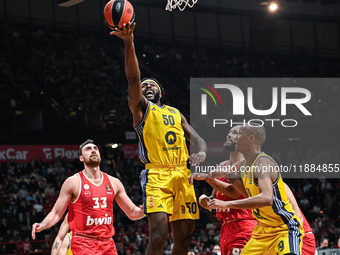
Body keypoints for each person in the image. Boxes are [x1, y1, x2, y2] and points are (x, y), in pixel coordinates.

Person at [112, 23, 207, 255]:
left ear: (160, 92)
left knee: (184, 238)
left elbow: (200, 141)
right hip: (157, 175)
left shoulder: (176, 113)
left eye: (152, 85)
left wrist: (201, 152)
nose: (147, 87)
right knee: (159, 234)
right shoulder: (142, 111)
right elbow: (133, 79)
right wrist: (129, 42)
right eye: (144, 86)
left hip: (183, 174)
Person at [32, 139, 145, 255]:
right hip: (84, 244)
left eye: (95, 148)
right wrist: (42, 225)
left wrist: (145, 210)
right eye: (88, 149)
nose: (93, 151)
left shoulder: (114, 182)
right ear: (81, 158)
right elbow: (56, 213)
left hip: (108, 244)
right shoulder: (73, 182)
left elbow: (132, 212)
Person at [205, 124, 304, 255]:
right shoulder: (242, 165)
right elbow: (236, 192)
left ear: (251, 138)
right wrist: (207, 178)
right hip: (261, 232)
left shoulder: (262, 162)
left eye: (239, 134)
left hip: (284, 228)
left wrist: (226, 203)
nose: (234, 138)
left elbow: (267, 198)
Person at [198, 126, 257, 255]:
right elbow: (214, 198)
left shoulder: (247, 164)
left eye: (235, 133)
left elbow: (235, 193)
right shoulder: (222, 165)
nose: (229, 135)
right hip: (225, 228)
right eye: (229, 132)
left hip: (244, 226)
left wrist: (209, 179)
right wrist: (204, 199)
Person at [284, 183, 316, 255]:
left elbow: (299, 217)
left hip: (302, 237)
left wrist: (296, 238)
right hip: (283, 236)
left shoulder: (282, 187)